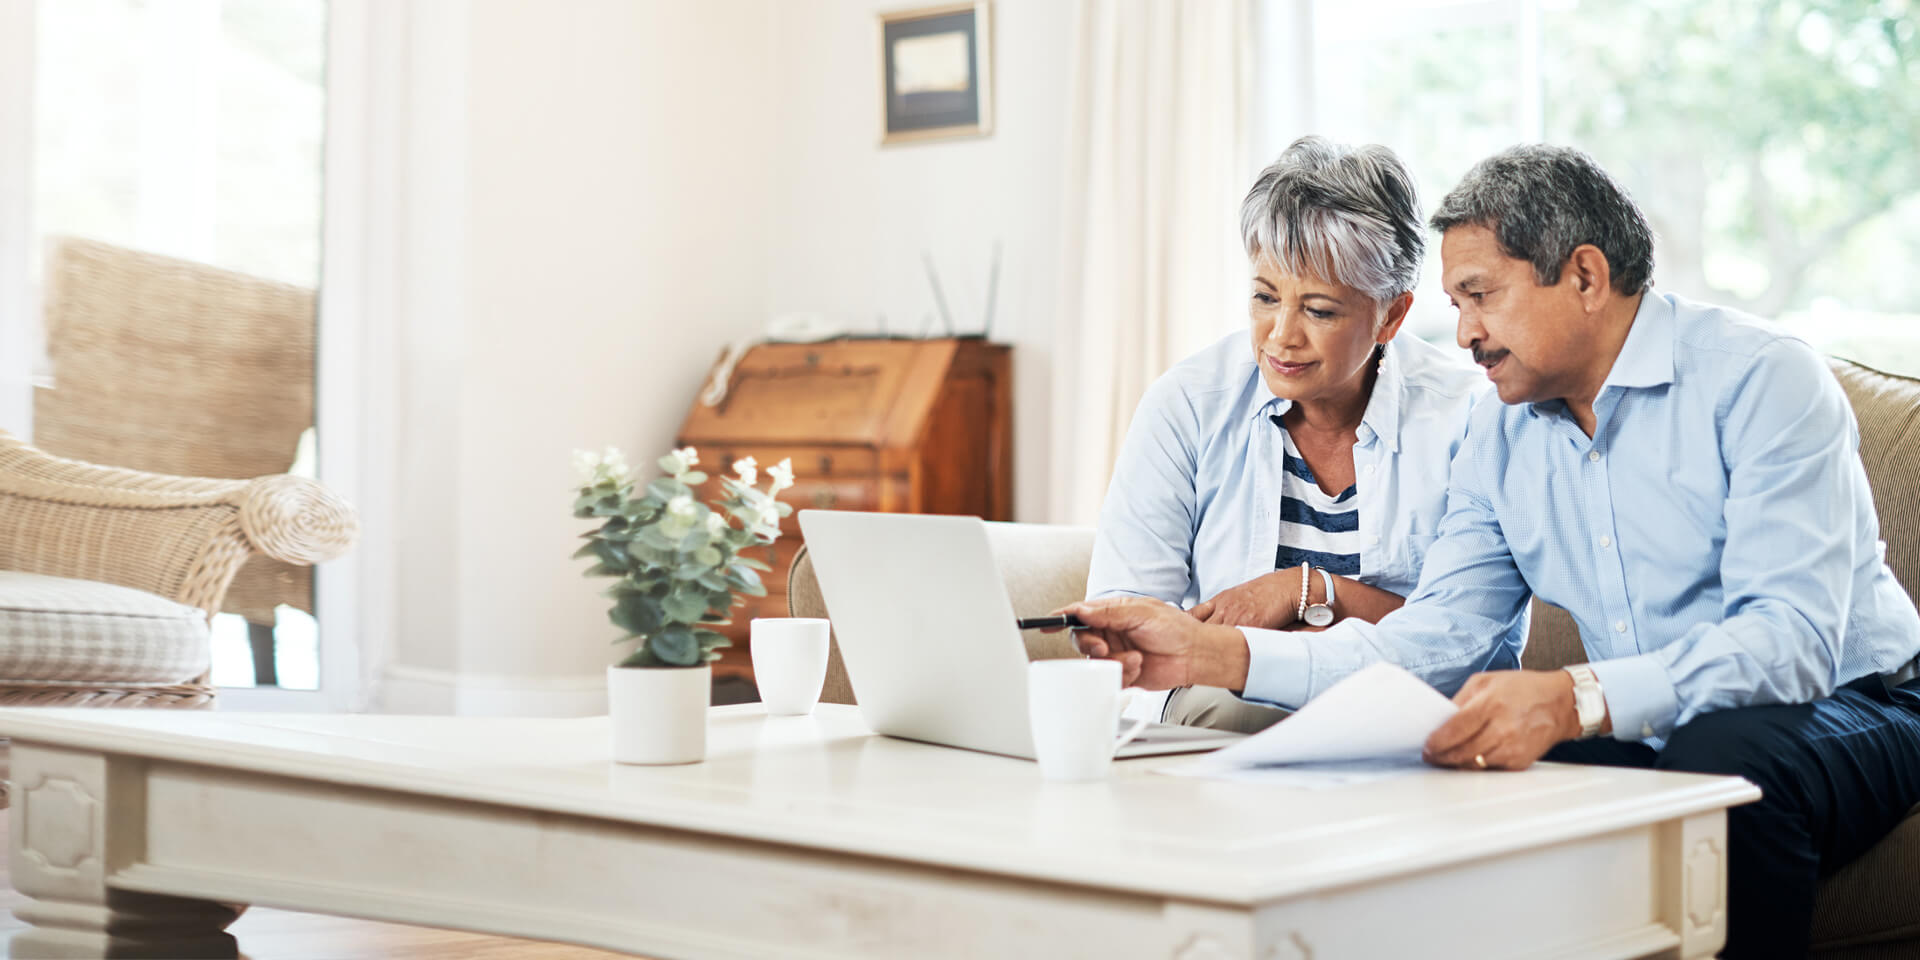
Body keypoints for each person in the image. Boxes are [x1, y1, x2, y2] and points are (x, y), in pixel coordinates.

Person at [1061, 144, 1920, 959]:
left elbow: (1791, 644)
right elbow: (1437, 641)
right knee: (1469, 783)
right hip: (1661, 718)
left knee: (1724, 768)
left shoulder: (1762, 379)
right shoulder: (1499, 433)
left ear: (1584, 275)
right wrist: (1222, 652)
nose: (1462, 331)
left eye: (1480, 296)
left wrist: (1573, 698)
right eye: (1455, 302)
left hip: (1859, 697)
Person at [1085, 136, 1518, 731]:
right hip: (1225, 713)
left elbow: (1468, 642)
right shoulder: (1187, 404)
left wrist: (1306, 590)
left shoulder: (1467, 417)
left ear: (1390, 314)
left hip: (1406, 714)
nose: (1280, 336)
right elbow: (1129, 617)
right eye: (1265, 297)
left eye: (1318, 310)